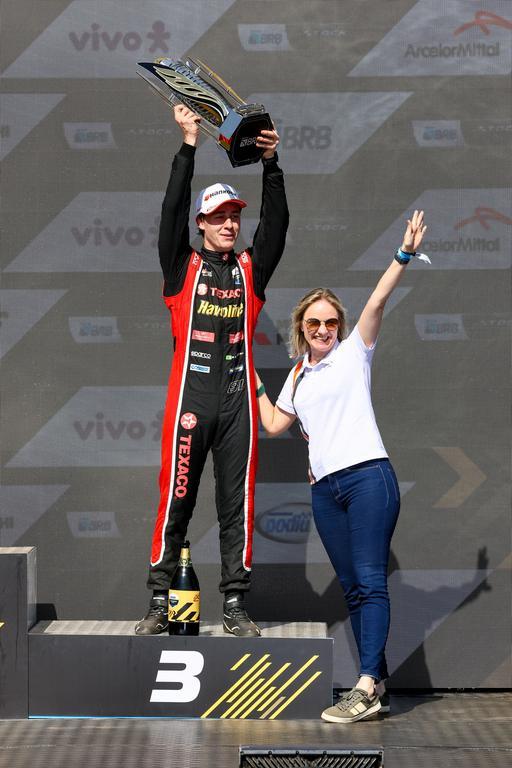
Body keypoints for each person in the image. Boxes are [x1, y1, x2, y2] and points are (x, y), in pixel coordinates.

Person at [255, 211, 427, 721]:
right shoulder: (297, 376)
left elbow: (377, 301)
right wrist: (252, 380)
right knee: (353, 587)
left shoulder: (355, 352)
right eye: (315, 323)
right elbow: (274, 424)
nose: (324, 329)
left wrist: (402, 254)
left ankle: (366, 686)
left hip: (369, 478)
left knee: (371, 581)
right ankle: (377, 682)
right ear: (302, 328)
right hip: (325, 492)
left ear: (340, 327)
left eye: (331, 322)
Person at [135, 105, 289, 637]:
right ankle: (160, 600)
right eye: (219, 216)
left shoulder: (250, 270)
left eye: (235, 216)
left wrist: (271, 165)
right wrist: (188, 146)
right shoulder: (182, 268)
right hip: (190, 405)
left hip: (237, 407)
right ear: (201, 223)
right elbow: (170, 211)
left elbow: (277, 227)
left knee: (236, 507)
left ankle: (235, 605)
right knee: (176, 500)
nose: (229, 224)